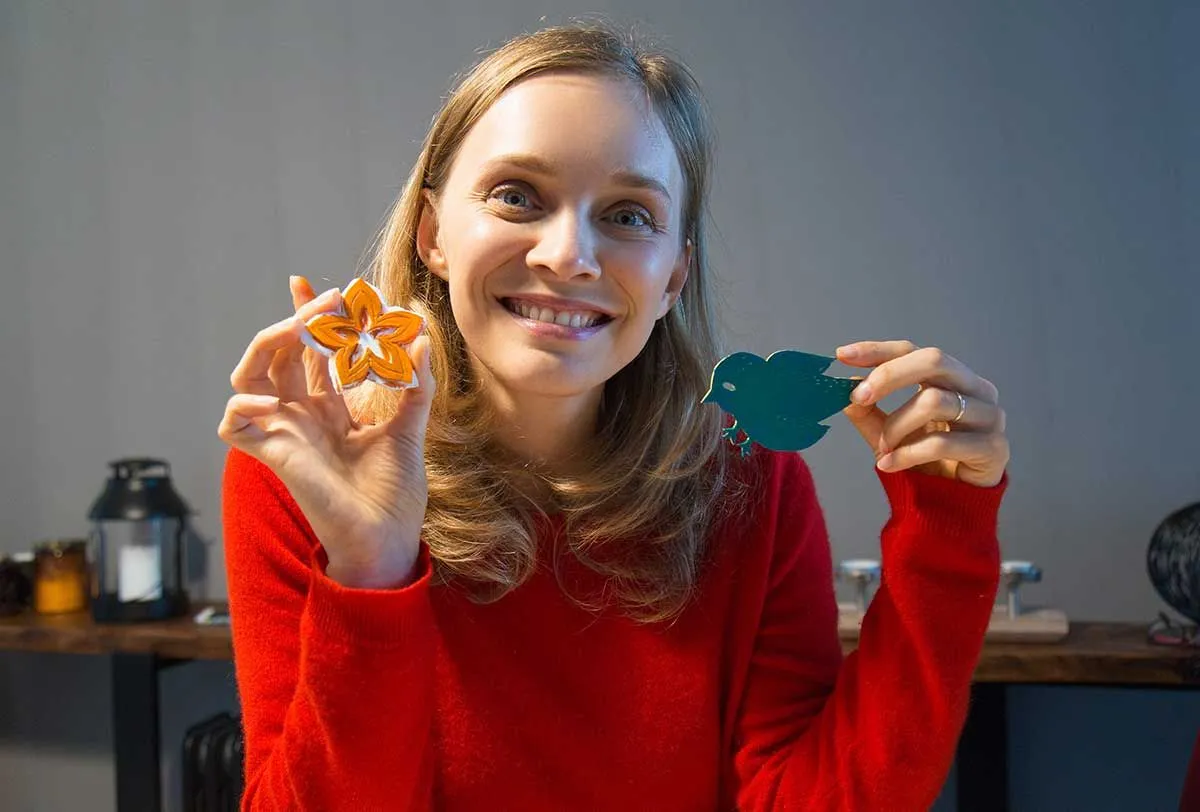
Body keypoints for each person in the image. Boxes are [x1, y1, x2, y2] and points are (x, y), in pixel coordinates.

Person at [217, 22, 1010, 812]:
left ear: (673, 278)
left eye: (629, 215)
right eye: (516, 196)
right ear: (433, 236)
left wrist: (946, 536)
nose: (568, 256)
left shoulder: (752, 483)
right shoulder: (311, 469)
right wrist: (370, 568)